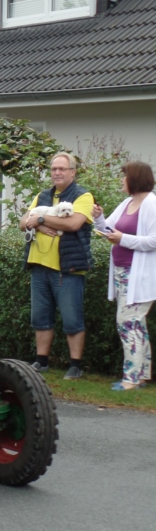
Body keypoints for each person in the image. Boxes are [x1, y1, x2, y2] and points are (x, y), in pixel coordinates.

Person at [19, 152, 95, 380]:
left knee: (72, 318)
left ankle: (75, 365)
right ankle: (41, 361)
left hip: (67, 268)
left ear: (73, 172)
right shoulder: (42, 195)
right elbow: (23, 222)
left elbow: (73, 223)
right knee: (40, 317)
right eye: (54, 169)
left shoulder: (83, 196)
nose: (57, 173)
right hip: (39, 265)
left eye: (62, 169)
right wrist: (39, 226)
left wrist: (40, 220)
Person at [91, 161, 156, 391]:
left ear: (135, 179)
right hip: (122, 273)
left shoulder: (151, 204)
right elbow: (107, 229)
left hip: (139, 276)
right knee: (136, 323)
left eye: (125, 176)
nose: (121, 180)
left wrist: (123, 239)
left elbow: (153, 240)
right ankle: (142, 375)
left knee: (127, 322)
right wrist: (99, 218)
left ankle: (131, 378)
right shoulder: (127, 202)